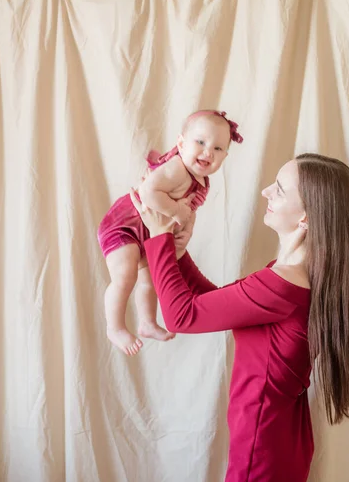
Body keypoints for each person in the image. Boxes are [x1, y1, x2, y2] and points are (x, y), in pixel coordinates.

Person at [130, 153, 349, 482]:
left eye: (279, 189)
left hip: (264, 446)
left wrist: (159, 237)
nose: (264, 191)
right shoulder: (289, 274)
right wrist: (177, 254)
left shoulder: (285, 283)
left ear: (305, 217)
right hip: (278, 438)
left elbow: (181, 316)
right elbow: (217, 304)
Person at [97, 110, 243, 356]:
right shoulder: (177, 169)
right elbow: (147, 193)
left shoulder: (201, 180)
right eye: (200, 142)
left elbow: (191, 209)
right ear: (181, 143)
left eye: (218, 149)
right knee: (125, 275)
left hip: (148, 232)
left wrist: (186, 233)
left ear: (225, 156)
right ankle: (115, 327)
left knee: (151, 280)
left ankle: (147, 322)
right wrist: (176, 211)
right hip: (123, 225)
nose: (208, 152)